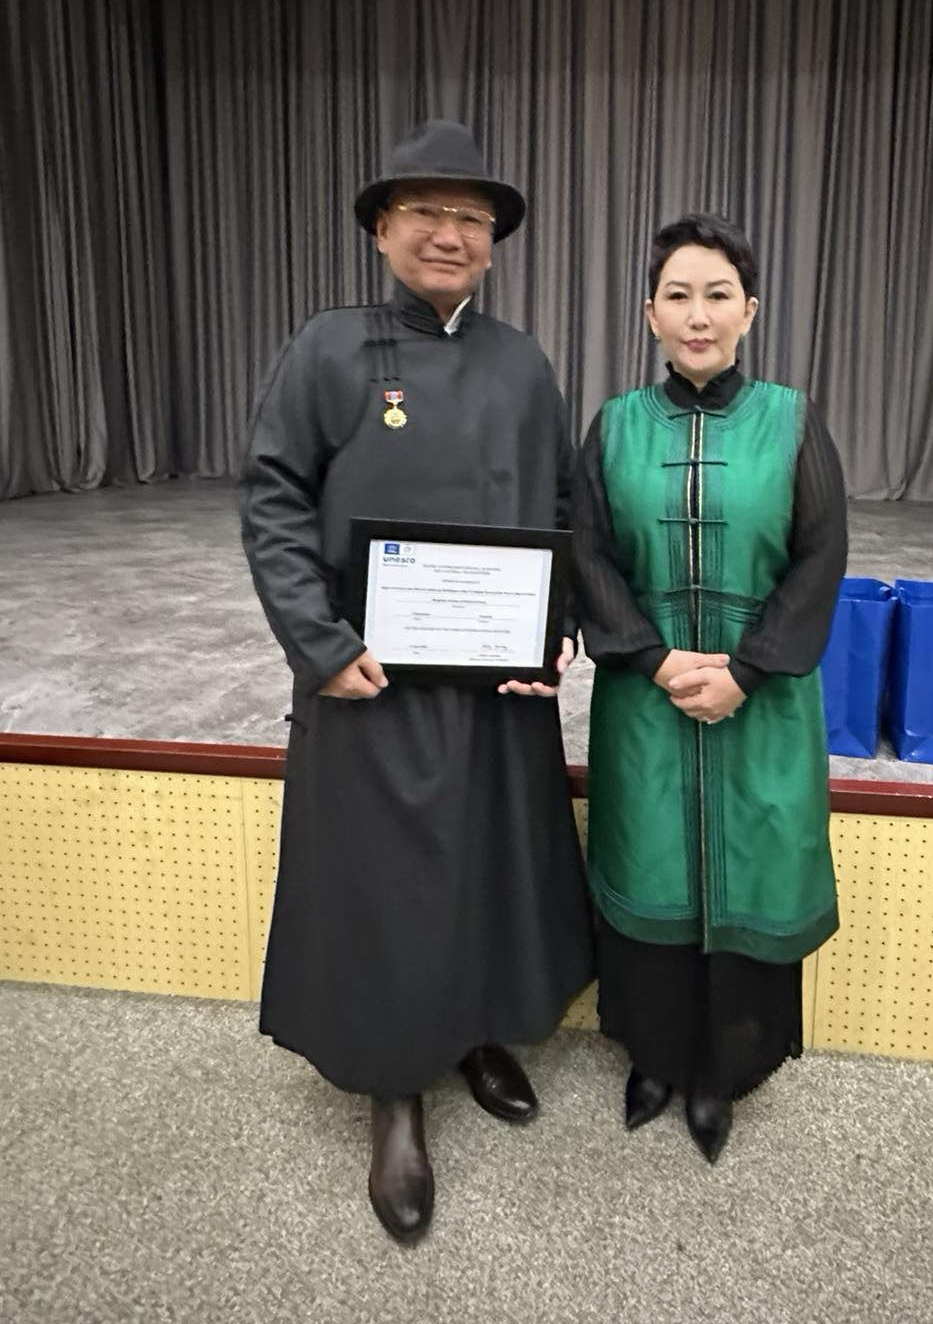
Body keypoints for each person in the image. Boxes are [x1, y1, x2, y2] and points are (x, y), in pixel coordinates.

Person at [239, 120, 593, 1243]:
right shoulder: (329, 349)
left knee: (491, 859)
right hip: (370, 677)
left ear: (492, 241)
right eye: (426, 213)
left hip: (494, 685)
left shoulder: (522, 362)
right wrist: (319, 643)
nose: (450, 234)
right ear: (384, 230)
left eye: (471, 219)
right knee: (386, 882)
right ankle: (394, 1090)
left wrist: (555, 629)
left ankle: (477, 1029)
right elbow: (274, 501)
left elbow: (563, 509)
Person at [572, 212, 847, 1164]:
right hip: (645, 698)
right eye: (678, 296)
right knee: (651, 861)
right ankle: (653, 1057)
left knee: (750, 866)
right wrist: (655, 659)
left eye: (718, 295)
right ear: (650, 313)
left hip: (760, 699)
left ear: (749, 310)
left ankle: (725, 1070)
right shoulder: (614, 427)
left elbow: (820, 558)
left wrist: (747, 669)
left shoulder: (793, 420)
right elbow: (589, 558)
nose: (698, 315)